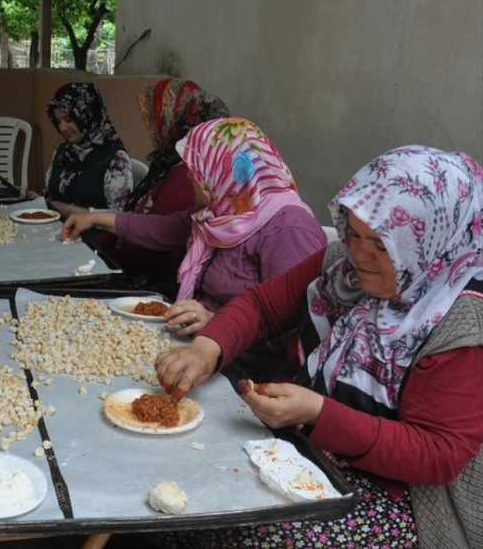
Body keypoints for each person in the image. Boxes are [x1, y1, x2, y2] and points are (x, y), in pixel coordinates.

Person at [155, 146, 483, 548]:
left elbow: (437, 453)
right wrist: (207, 348)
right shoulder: (341, 266)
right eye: (354, 234)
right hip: (313, 442)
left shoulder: (462, 322)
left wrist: (319, 413)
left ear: (430, 243)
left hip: (402, 496)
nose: (359, 254)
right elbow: (264, 304)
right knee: (185, 480)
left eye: (381, 245)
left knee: (257, 534)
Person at [64, 118, 326, 381]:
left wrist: (216, 321)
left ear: (225, 171)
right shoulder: (222, 209)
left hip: (248, 367)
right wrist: (95, 218)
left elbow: (294, 327)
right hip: (196, 341)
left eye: (196, 169)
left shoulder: (289, 229)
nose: (189, 175)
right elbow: (163, 230)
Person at [101, 78, 231, 293]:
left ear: (176, 121)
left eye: (155, 119)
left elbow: (159, 251)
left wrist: (100, 258)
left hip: (155, 283)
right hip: (132, 263)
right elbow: (154, 224)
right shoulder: (166, 163)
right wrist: (94, 235)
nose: (151, 126)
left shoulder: (187, 176)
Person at [26, 82, 133, 220]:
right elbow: (49, 196)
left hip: (92, 237)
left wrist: (72, 211)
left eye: (69, 119)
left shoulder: (115, 158)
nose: (63, 128)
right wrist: (39, 200)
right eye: (58, 121)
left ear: (87, 115)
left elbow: (122, 217)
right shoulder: (63, 152)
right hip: (56, 229)